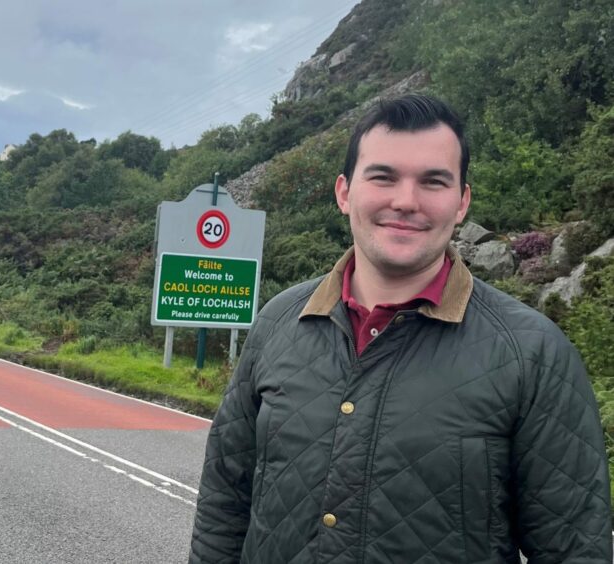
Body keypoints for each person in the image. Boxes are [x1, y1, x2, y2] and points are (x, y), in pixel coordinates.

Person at [189, 93, 611, 563]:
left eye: (433, 181)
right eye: (383, 177)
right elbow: (224, 506)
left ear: (461, 202)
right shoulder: (279, 322)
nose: (406, 201)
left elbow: (575, 549)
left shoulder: (532, 352)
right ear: (344, 192)